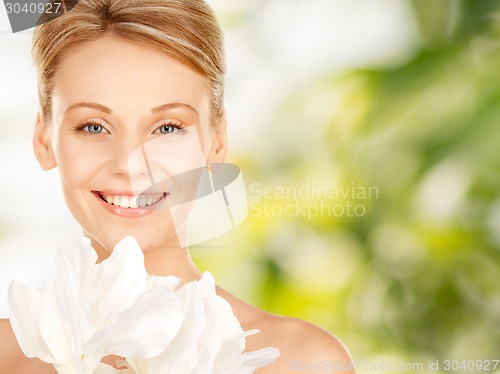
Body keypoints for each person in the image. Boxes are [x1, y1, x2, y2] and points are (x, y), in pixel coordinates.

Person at [0, 0, 355, 372]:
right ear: (44, 141)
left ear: (215, 143)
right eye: (93, 126)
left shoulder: (301, 361)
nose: (130, 165)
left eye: (166, 128)